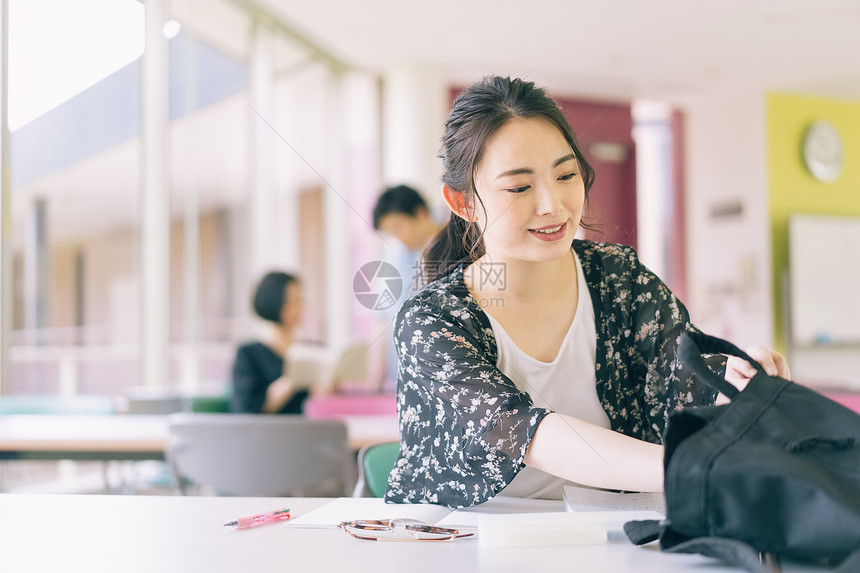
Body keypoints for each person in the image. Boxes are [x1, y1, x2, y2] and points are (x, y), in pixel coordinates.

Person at [384, 76, 789, 509]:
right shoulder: (432, 321)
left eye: (565, 174)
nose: (553, 205)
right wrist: (689, 467)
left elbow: (680, 375)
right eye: (519, 187)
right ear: (463, 203)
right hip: (466, 542)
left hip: (608, 533)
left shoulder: (618, 278)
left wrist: (736, 383)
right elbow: (520, 430)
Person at [372, 185, 443, 390]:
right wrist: (376, 379)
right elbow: (381, 319)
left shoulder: (456, 247)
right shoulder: (395, 259)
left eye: (397, 227)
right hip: (404, 380)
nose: (398, 237)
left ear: (420, 213)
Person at [231, 271, 310, 414]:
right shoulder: (248, 355)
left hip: (312, 432)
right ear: (273, 302)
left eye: (299, 300)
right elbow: (248, 407)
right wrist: (293, 380)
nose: (298, 308)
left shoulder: (313, 351)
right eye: (289, 301)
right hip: (265, 433)